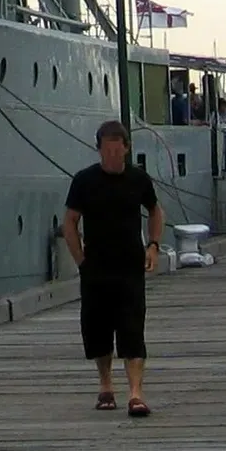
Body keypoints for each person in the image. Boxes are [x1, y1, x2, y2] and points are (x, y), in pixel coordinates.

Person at [62, 119, 163, 417]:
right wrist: (80, 259)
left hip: (130, 265)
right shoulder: (84, 180)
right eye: (107, 152)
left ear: (126, 149)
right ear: (99, 150)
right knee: (98, 330)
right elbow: (70, 221)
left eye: (117, 151)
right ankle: (105, 386)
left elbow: (155, 211)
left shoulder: (138, 179)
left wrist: (153, 245)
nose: (112, 157)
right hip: (95, 266)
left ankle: (136, 394)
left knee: (132, 328)